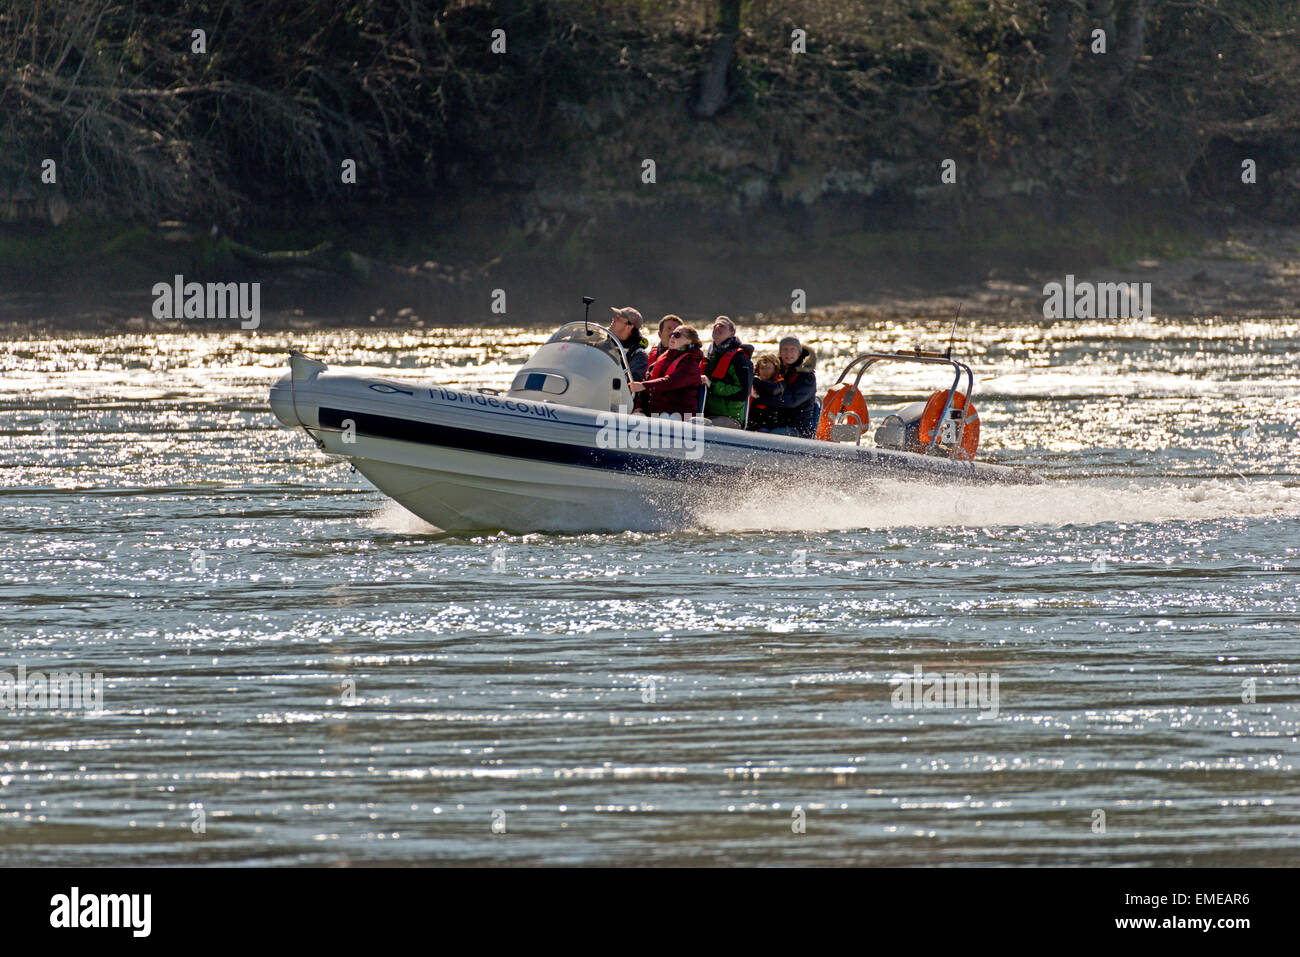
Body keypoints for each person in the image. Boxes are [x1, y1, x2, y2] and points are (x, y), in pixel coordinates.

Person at [627, 325, 704, 417]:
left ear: (689, 341)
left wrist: (643, 385)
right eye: (672, 334)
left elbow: (670, 382)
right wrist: (639, 407)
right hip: (657, 411)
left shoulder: (690, 363)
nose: (672, 336)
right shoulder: (664, 357)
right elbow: (648, 380)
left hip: (679, 414)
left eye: (677, 334)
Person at [752, 336, 818, 437]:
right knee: (754, 431)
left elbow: (790, 401)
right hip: (775, 423)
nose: (788, 353)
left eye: (792, 349)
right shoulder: (777, 371)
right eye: (785, 349)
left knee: (768, 436)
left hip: (799, 429)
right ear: (780, 352)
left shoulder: (807, 377)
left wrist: (760, 398)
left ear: (799, 352)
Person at [701, 316, 753, 428]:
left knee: (701, 427)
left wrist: (712, 385)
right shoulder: (710, 356)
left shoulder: (740, 359)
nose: (717, 327)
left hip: (729, 418)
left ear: (732, 333)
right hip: (706, 414)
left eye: (722, 326)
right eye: (715, 325)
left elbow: (743, 392)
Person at [609, 306, 649, 381]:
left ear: (629, 326)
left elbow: (630, 384)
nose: (614, 319)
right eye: (615, 317)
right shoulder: (604, 344)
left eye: (618, 319)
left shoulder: (639, 355)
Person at [746, 353, 783, 432]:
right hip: (751, 423)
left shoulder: (779, 383)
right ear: (758, 369)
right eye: (762, 368)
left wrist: (754, 380)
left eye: (768, 368)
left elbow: (773, 390)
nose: (765, 371)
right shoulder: (754, 383)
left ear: (775, 369)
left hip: (769, 425)